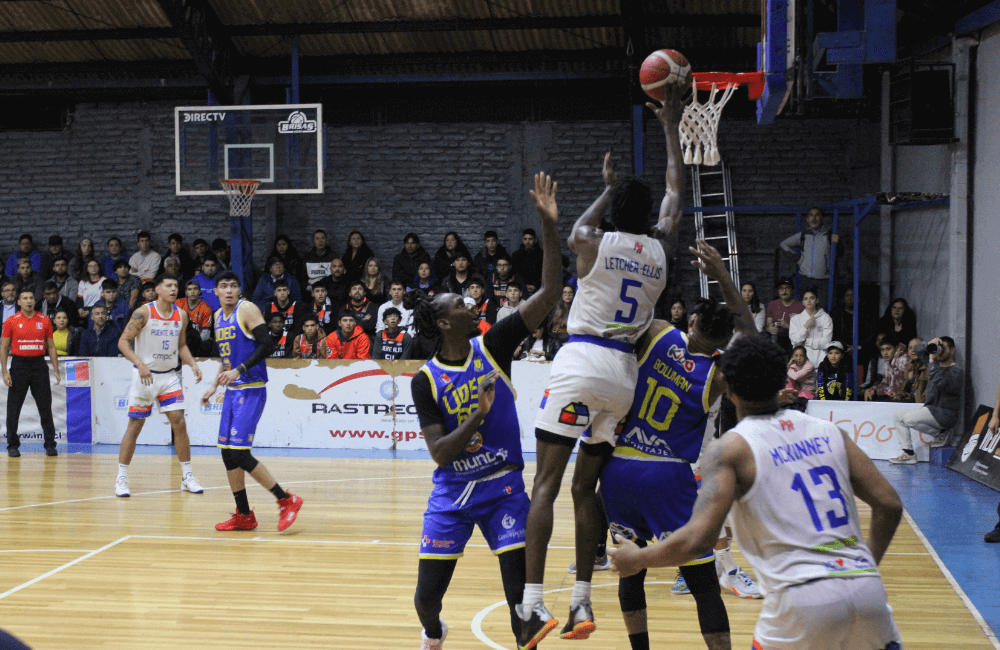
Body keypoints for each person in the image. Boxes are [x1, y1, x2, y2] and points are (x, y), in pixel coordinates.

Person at [608, 334, 905, 650]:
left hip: (799, 600)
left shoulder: (730, 450)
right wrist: (866, 564)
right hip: (867, 591)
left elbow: (699, 540)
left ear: (729, 391)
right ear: (782, 381)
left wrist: (637, 558)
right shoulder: (831, 432)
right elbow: (889, 504)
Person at [520, 90, 680, 648]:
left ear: (614, 212)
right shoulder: (660, 250)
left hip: (581, 361)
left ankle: (532, 605)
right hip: (623, 379)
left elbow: (573, 233)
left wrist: (606, 187)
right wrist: (672, 126)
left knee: (543, 484)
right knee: (585, 492)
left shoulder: (597, 239)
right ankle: (583, 600)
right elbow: (676, 195)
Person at [410, 171, 561, 650]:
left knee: (522, 608)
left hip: (503, 491)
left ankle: (526, 632)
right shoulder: (425, 380)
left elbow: (549, 295)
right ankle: (434, 633)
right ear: (441, 321)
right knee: (425, 601)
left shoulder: (492, 345)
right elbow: (439, 454)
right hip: (452, 492)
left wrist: (551, 228)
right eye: (460, 300)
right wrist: (476, 416)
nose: (470, 299)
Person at [599, 239, 756, 650]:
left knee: (631, 570)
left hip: (619, 469)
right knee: (703, 582)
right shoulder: (717, 374)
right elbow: (751, 336)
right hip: (666, 474)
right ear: (720, 342)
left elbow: (630, 311)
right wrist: (722, 275)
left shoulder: (658, 333)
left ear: (691, 324)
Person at [200, 271, 304, 531]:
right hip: (233, 390)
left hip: (252, 388)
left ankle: (286, 499)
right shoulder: (216, 317)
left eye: (234, 286)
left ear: (239, 291)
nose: (229, 290)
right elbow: (226, 359)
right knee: (227, 454)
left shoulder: (246, 309)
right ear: (216, 292)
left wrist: (240, 369)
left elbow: (268, 344)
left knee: (239, 453)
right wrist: (214, 385)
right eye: (223, 286)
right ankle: (244, 515)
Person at [114, 273, 204, 497]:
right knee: (135, 427)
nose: (174, 289)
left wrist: (192, 363)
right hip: (145, 377)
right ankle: (121, 478)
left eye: (176, 285)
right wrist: (139, 363)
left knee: (179, 423)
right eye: (169, 285)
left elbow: (181, 345)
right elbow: (123, 342)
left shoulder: (181, 315)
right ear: (158, 290)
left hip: (169, 376)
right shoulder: (144, 312)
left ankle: (187, 476)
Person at [2, 287, 61, 457]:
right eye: (25, 298)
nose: (29, 301)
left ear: (35, 301)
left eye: (31, 298)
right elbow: (4, 347)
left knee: (45, 407)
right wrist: (5, 372)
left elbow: (51, 346)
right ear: (19, 302)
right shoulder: (11, 321)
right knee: (14, 408)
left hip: (39, 365)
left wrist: (56, 370)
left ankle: (50, 444)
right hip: (19, 365)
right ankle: (12, 445)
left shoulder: (44, 320)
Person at [890, 337, 963, 463]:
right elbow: (918, 350)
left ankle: (941, 432)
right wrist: (930, 344)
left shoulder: (956, 370)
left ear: (952, 351)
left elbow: (941, 383)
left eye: (944, 348)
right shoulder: (934, 365)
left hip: (945, 414)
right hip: (931, 410)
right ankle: (908, 453)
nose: (941, 350)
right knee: (898, 416)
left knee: (908, 419)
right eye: (940, 347)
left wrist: (931, 361)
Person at [779, 207, 839, 308]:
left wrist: (838, 243)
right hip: (805, 279)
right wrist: (798, 259)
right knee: (802, 309)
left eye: (817, 215)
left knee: (823, 310)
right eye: (811, 215)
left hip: (823, 280)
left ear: (822, 218)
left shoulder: (828, 235)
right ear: (807, 219)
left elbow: (840, 254)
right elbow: (783, 244)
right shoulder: (803, 235)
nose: (814, 218)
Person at [789, 286, 833, 367]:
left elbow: (826, 343)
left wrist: (806, 341)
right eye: (806, 299)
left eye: (812, 298)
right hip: (801, 365)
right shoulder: (795, 319)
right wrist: (805, 327)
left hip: (820, 363)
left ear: (817, 300)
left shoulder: (825, 318)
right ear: (803, 302)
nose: (808, 301)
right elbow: (794, 341)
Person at [765, 277, 804, 354]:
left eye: (787, 288)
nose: (784, 291)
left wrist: (788, 326)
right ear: (778, 291)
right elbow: (768, 325)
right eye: (781, 288)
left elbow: (803, 330)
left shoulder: (800, 306)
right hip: (776, 338)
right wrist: (770, 328)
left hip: (792, 340)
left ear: (792, 290)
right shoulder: (772, 304)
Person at [863, 336, 907, 402]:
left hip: (905, 396)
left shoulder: (903, 360)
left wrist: (876, 391)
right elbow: (886, 382)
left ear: (895, 348)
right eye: (882, 350)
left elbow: (896, 387)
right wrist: (873, 389)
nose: (885, 353)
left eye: (888, 349)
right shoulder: (888, 361)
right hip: (895, 395)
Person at [176, 280, 213, 356]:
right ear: (186, 292)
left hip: (197, 342)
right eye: (189, 289)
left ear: (199, 291)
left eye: (195, 289)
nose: (192, 292)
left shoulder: (206, 308)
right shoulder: (178, 303)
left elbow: (206, 334)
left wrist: (190, 343)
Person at [512, 228, 544, 295]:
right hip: (521, 289)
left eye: (530, 239)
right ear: (522, 240)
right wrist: (524, 286)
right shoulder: (516, 255)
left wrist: (535, 285)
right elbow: (516, 273)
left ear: (535, 240)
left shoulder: (541, 255)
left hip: (538, 289)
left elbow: (543, 272)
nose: (527, 241)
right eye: (525, 239)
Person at [546, 284, 574, 358]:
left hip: (568, 336)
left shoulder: (575, 309)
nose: (567, 295)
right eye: (565, 293)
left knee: (557, 341)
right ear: (561, 295)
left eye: (570, 293)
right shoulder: (555, 308)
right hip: (553, 336)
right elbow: (549, 324)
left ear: (573, 295)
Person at [900, 338, 928, 403]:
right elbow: (904, 388)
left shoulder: (928, 367)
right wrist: (899, 395)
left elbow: (926, 396)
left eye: (916, 347)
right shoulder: (909, 366)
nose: (913, 350)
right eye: (910, 348)